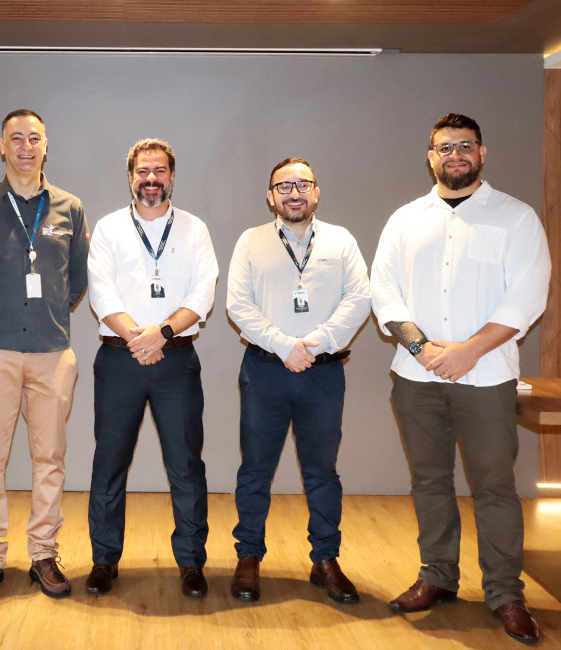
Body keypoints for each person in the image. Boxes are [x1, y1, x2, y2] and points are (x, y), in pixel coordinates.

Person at [370, 113, 550, 644]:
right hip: (416, 376)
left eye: (465, 146)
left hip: (487, 376)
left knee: (494, 487)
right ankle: (438, 578)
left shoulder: (515, 218)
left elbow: (527, 296)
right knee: (429, 481)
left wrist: (470, 351)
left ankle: (505, 594)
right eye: (444, 147)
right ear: (430, 156)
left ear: (482, 153)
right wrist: (424, 349)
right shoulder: (405, 220)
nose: (455, 155)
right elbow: (385, 292)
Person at [0, 109, 89, 600]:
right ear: (2, 146)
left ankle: (43, 554)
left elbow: (77, 280)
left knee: (48, 458)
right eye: (17, 138)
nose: (26, 147)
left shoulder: (70, 208)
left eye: (34, 138)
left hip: (53, 353)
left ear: (45, 145)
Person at [226, 157, 370, 604]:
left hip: (323, 375)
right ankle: (248, 557)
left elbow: (360, 299)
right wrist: (286, 346)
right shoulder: (251, 242)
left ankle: (325, 559)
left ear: (316, 192)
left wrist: (314, 344)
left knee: (322, 472)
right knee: (255, 471)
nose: (293, 193)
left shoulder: (341, 241)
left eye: (302, 184)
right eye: (283, 186)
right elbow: (238, 305)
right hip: (265, 371)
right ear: (270, 196)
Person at [85, 138, 218, 598]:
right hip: (119, 359)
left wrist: (159, 335)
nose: (151, 179)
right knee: (109, 463)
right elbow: (101, 293)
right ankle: (104, 559)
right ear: (130, 177)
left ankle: (191, 563)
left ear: (172, 176)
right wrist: (137, 338)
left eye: (159, 171)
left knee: (185, 465)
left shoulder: (195, 230)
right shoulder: (107, 228)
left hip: (175, 359)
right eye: (143, 171)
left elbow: (203, 294)